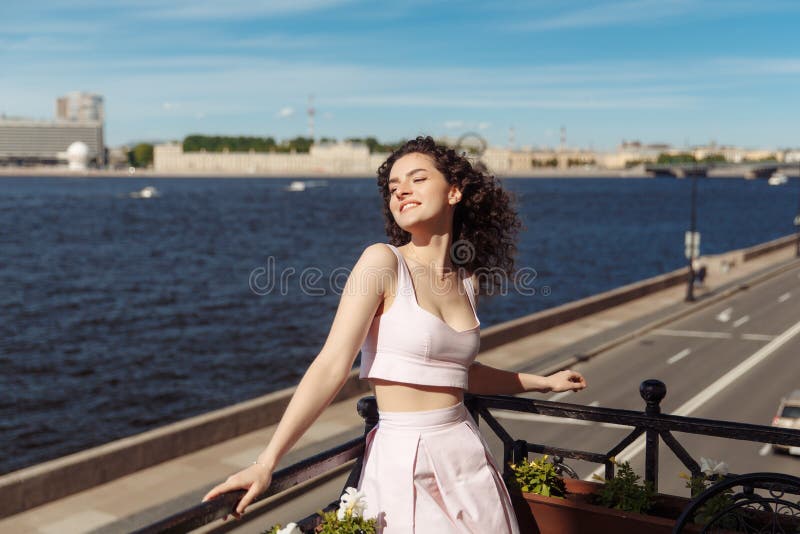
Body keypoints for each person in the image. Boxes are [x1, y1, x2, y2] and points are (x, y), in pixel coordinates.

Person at [203, 136, 588, 532]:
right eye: (393, 187)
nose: (401, 190)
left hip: (468, 454)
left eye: (417, 179)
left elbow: (460, 372)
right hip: (405, 461)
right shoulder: (382, 262)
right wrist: (265, 463)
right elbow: (332, 365)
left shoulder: (467, 282)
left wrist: (542, 382)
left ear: (454, 191)